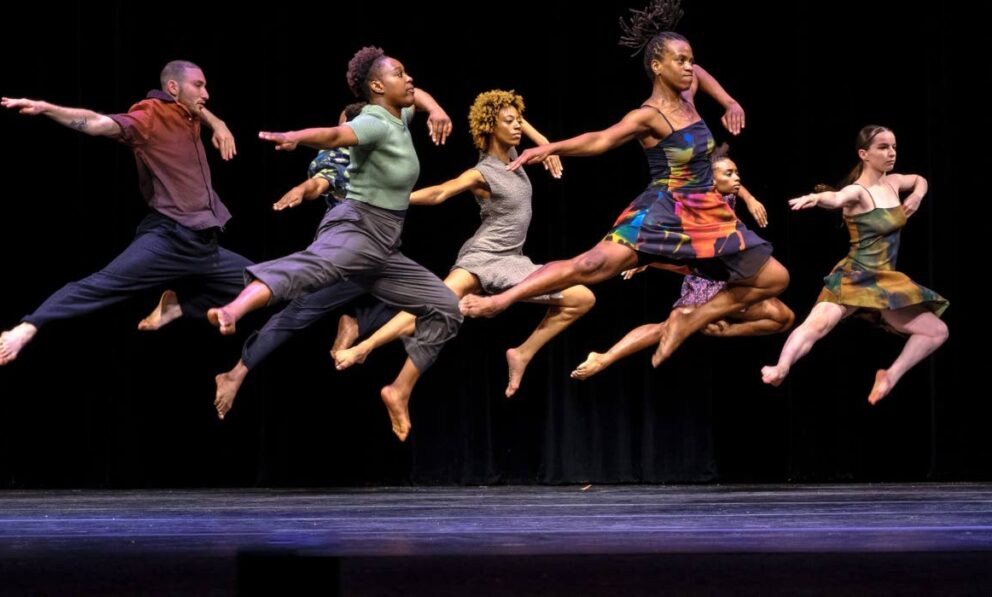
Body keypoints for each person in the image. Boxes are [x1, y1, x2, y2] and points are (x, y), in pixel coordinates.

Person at [459, 1, 789, 369]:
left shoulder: (688, 95)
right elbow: (601, 139)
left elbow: (701, 75)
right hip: (665, 208)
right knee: (591, 264)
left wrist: (729, 101)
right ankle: (500, 301)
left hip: (707, 209)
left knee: (776, 278)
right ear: (656, 66)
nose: (687, 66)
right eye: (678, 60)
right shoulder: (647, 116)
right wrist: (553, 147)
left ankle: (692, 318)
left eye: (689, 59)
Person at [209, 46, 462, 440]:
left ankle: (396, 386)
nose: (409, 78)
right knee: (305, 279)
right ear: (377, 88)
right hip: (355, 231)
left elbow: (420, 95)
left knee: (446, 306)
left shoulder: (398, 116)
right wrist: (297, 139)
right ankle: (234, 311)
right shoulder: (372, 124)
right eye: (400, 73)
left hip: (384, 245)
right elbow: (332, 139)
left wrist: (438, 110)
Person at [332, 89, 591, 398]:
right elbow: (441, 192)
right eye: (509, 122)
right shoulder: (482, 172)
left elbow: (527, 127)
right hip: (482, 256)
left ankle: (522, 353)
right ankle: (364, 347)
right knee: (435, 303)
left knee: (581, 298)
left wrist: (547, 146)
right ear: (491, 127)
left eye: (519, 121)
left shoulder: (514, 156)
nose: (518, 127)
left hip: (513, 260)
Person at [0, 60, 251, 366]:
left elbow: (199, 108)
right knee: (102, 284)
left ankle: (176, 309)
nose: (206, 93)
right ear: (173, 88)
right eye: (199, 85)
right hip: (169, 237)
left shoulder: (189, 110)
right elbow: (97, 123)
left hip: (205, 244)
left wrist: (218, 123)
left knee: (260, 282)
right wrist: (48, 108)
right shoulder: (150, 115)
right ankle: (28, 326)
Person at [761, 125, 948, 404]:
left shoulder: (894, 182)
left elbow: (920, 179)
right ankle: (781, 366)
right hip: (855, 276)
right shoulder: (858, 191)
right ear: (864, 154)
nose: (891, 152)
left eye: (894, 146)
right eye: (883, 147)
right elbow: (836, 198)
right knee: (818, 326)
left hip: (885, 282)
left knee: (937, 331)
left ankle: (889, 376)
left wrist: (918, 195)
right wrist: (817, 198)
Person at [572, 147, 793, 379]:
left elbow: (729, 179)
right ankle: (604, 358)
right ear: (710, 180)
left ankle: (722, 329)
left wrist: (750, 199)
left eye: (736, 173)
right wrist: (646, 260)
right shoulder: (691, 209)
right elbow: (680, 254)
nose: (736, 178)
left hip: (733, 273)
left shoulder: (724, 194)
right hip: (710, 279)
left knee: (784, 318)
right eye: (729, 174)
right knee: (666, 327)